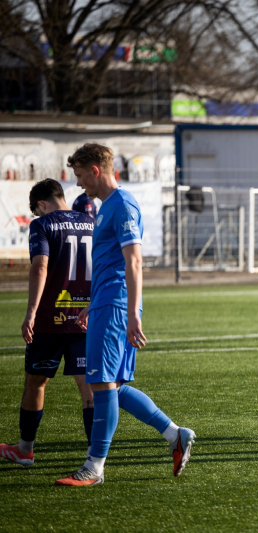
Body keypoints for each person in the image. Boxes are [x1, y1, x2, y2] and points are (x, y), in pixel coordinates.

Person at [55, 143, 195, 486]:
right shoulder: (106, 207)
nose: (78, 184)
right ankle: (175, 434)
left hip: (116, 307)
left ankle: (95, 467)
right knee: (112, 386)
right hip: (106, 303)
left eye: (80, 175)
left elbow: (134, 261)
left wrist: (132, 313)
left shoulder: (122, 205)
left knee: (101, 384)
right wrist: (94, 301)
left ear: (96, 170)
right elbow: (113, 263)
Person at [0, 179, 95, 467]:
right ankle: (95, 458)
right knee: (89, 389)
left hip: (49, 321)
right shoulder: (92, 223)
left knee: (36, 382)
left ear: (41, 204)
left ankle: (25, 450)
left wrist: (30, 311)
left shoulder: (43, 225)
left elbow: (40, 266)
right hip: (84, 320)